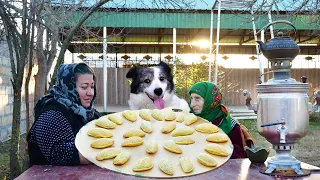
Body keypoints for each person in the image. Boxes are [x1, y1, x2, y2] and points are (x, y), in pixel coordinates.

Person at [27, 63, 101, 166]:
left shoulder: (89, 114)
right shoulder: (51, 116)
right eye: (84, 87)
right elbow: (61, 154)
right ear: (68, 87)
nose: (91, 93)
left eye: (92, 86)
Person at [189, 81, 247, 159]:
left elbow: (238, 157)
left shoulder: (230, 125)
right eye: (191, 98)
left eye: (197, 99)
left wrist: (213, 151)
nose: (192, 104)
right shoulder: (189, 120)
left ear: (209, 100)